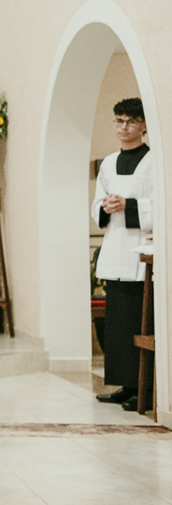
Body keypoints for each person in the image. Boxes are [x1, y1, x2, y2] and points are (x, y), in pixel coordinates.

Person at [92, 98, 154, 411]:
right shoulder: (108, 163)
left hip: (141, 254)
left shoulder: (154, 161)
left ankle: (142, 387)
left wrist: (129, 205)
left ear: (144, 125)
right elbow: (97, 204)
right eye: (119, 120)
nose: (124, 127)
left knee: (138, 325)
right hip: (115, 249)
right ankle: (122, 384)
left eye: (130, 121)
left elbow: (161, 205)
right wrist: (105, 206)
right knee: (117, 326)